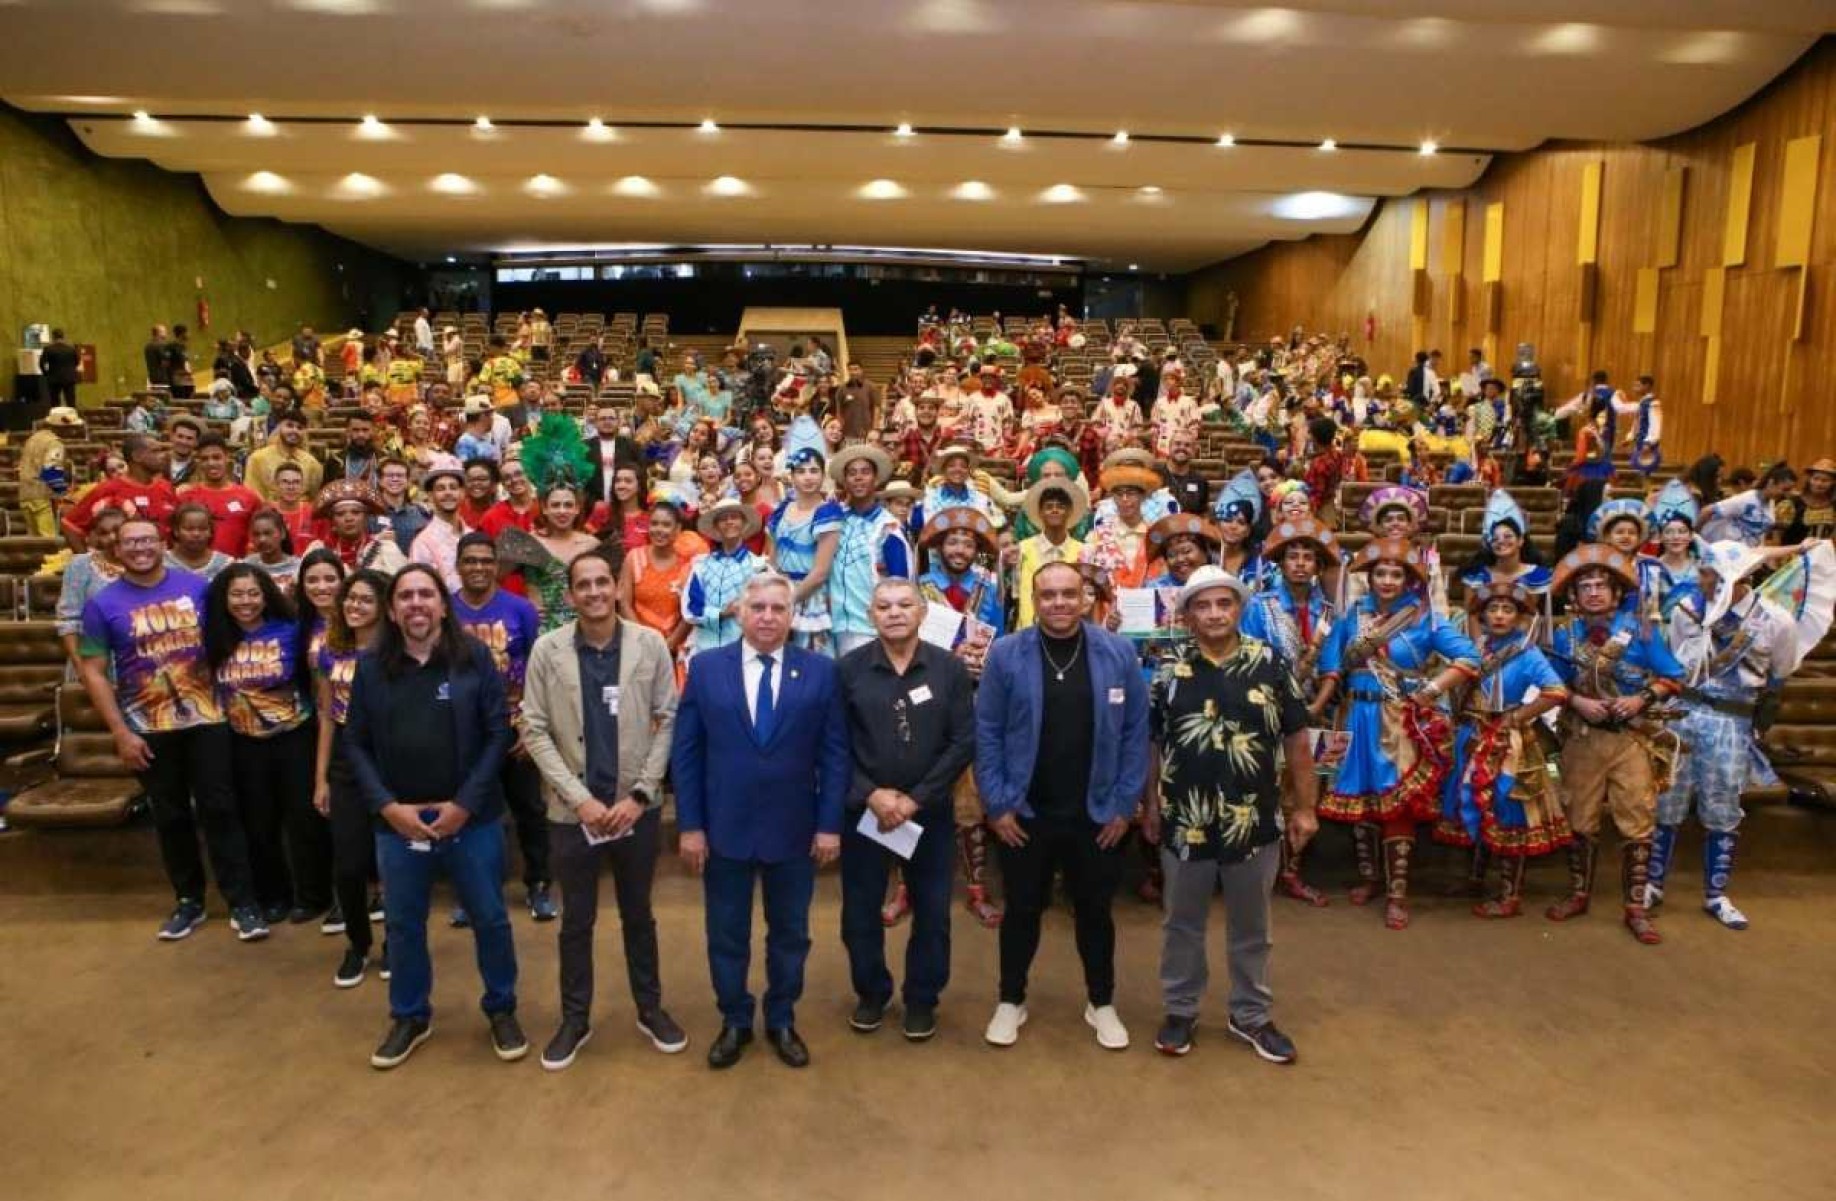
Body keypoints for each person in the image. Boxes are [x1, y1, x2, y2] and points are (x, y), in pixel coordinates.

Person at [343, 564, 522, 1070]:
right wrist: (387, 806)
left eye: (426, 594)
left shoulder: (474, 659)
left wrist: (465, 803)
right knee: (402, 925)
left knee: (490, 918)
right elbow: (354, 742)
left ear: (444, 604)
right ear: (393, 610)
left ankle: (502, 1008)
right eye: (405, 597)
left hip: (471, 817)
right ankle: (409, 1015)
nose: (416, 604)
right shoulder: (373, 666)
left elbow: (496, 734)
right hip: (399, 822)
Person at [671, 572, 850, 1069]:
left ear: (793, 616)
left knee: (790, 932)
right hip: (722, 827)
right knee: (725, 932)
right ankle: (733, 1018)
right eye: (759, 608)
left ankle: (781, 1017)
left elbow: (835, 755)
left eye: (778, 608)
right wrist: (690, 825)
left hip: (795, 828)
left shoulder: (820, 672)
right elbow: (686, 754)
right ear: (740, 613)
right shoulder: (705, 669)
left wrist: (830, 823)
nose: (768, 617)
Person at [521, 548, 688, 1070]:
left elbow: (669, 716)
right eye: (582, 585)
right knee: (577, 921)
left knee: (640, 915)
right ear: (569, 595)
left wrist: (640, 795)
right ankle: (575, 1019)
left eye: (601, 583)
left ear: (617, 589)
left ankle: (650, 1008)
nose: (593, 592)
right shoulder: (547, 650)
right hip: (575, 816)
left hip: (633, 811)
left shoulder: (649, 645)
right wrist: (581, 799)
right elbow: (534, 728)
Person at [974, 561, 1150, 1050]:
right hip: (1024, 814)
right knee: (1022, 911)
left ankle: (1102, 1002)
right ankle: (1011, 999)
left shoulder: (1117, 653)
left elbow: (1138, 732)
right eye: (1048, 594)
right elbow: (986, 731)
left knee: (1095, 911)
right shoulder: (1007, 654)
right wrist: (998, 803)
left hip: (1097, 816)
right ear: (1034, 599)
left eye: (1069, 594)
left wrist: (1123, 805)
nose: (1059, 603)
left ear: (1087, 598)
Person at [1144, 567, 1317, 1062]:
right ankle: (1180, 1009)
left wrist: (1305, 807)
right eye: (1203, 605)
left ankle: (1251, 1016)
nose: (1215, 613)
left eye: (1224, 603)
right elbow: (1152, 742)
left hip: (1254, 822)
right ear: (1189, 614)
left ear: (1238, 608)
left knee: (1252, 926)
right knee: (1182, 923)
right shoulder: (1169, 668)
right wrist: (1151, 803)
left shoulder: (1270, 664)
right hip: (1185, 819)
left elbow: (1297, 740)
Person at [75, 518, 265, 940]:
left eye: (147, 539)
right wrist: (121, 733)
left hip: (209, 720)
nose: (140, 548)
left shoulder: (197, 588)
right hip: (149, 727)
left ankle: (243, 902)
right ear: (116, 550)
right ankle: (189, 902)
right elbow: (93, 671)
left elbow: (232, 640)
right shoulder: (101, 605)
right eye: (129, 542)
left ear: (164, 542)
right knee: (171, 816)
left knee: (221, 810)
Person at [1312, 538, 1480, 929]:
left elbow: (1470, 658)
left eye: (1396, 574)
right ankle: (1372, 878)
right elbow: (1331, 664)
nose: (1387, 581)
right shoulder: (1351, 617)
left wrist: (1434, 689)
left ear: (1408, 580)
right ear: (1369, 579)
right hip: (1354, 716)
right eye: (1380, 573)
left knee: (1396, 803)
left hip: (1399, 721)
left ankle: (1397, 893)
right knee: (1362, 800)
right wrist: (1319, 705)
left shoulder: (1426, 620)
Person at [838, 578, 977, 1040]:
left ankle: (922, 998)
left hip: (929, 811)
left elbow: (963, 742)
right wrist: (872, 794)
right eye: (883, 606)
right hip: (865, 812)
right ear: (870, 615)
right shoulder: (849, 670)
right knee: (860, 910)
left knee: (933, 911)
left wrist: (916, 798)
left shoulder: (949, 670)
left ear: (921, 613)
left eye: (904, 605)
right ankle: (872, 993)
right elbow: (833, 745)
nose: (894, 613)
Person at [1648, 542, 1805, 930]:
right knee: (1667, 798)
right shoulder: (1686, 612)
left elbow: (1779, 671)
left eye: (1714, 576)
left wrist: (1759, 723)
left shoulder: (1774, 620)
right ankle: (1652, 883)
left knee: (1722, 808)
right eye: (1704, 572)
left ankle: (1716, 894)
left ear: (1741, 578)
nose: (1704, 581)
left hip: (1732, 723)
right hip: (1682, 712)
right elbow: (1672, 664)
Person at [1544, 546, 1686, 944]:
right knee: (1578, 819)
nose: (1592, 592)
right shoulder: (1564, 635)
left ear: (1616, 592)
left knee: (1638, 822)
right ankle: (1578, 894)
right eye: (1585, 585)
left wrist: (1642, 698)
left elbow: (1675, 676)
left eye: (1600, 585)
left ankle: (1635, 907)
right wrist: (1576, 701)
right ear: (1574, 594)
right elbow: (1550, 684)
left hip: (1630, 739)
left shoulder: (1640, 630)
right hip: (1582, 739)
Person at [1433, 582, 1572, 917]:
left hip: (1506, 744)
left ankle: (1510, 895)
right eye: (1492, 609)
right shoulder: (1476, 647)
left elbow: (1556, 691)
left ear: (1520, 617)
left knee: (1508, 811)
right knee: (1472, 803)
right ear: (1481, 616)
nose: (1498, 616)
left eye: (1507, 609)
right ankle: (1475, 879)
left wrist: (1517, 716)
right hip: (1470, 734)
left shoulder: (1527, 652)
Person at [204, 565, 328, 926]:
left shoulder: (290, 630)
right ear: (224, 600)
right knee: (258, 823)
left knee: (303, 819)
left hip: (295, 736)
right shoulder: (214, 637)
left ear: (266, 595)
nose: (246, 602)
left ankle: (312, 894)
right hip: (243, 743)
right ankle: (274, 895)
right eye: (238, 594)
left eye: (253, 593)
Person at [450, 533, 556, 924]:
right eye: (471, 561)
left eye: (486, 561)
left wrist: (531, 724)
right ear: (458, 565)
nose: (479, 567)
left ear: (496, 566)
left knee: (529, 807)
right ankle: (473, 891)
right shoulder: (446, 610)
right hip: (464, 732)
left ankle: (539, 885)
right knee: (473, 811)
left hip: (514, 728)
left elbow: (537, 668)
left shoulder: (521, 609)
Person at [1239, 516, 1341, 905]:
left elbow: (1332, 665)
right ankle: (1261, 868)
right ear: (1280, 563)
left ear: (1317, 566)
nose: (1300, 563)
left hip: (1315, 708)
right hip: (1267, 710)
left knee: (1307, 787)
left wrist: (1314, 705)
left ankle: (1293, 869)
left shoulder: (1329, 612)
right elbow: (1251, 658)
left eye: (1307, 558)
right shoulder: (1260, 607)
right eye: (1293, 557)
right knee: (1266, 787)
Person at [913, 508, 1006, 927]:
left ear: (978, 551)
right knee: (911, 791)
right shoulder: (920, 589)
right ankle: (905, 889)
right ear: (937, 547)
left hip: (972, 702)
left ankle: (976, 888)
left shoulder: (990, 589)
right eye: (952, 542)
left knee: (970, 800)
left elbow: (999, 643)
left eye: (968, 543)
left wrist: (983, 666)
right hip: (924, 700)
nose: (959, 549)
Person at [313, 569, 389, 987]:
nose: (354, 606)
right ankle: (357, 945)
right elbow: (326, 715)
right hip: (345, 758)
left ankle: (396, 941)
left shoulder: (396, 654)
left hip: (389, 758)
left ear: (383, 607)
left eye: (365, 600)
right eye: (350, 599)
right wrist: (320, 778)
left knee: (392, 860)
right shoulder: (332, 651)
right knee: (348, 863)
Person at [829, 443, 913, 656]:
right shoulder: (835, 519)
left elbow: (900, 583)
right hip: (833, 625)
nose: (858, 478)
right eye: (852, 473)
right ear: (844, 481)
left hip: (869, 629)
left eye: (865, 472)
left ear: (876, 480)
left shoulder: (888, 528)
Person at [767, 446, 845, 655]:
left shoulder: (827, 513)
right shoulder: (782, 509)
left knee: (810, 659)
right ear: (791, 476)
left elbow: (820, 572)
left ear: (823, 474)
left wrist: (788, 601)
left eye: (814, 471)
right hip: (779, 590)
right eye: (801, 471)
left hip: (810, 595)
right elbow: (772, 557)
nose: (808, 477)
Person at [61, 433, 178, 550]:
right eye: (155, 451)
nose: (163, 456)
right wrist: (87, 562)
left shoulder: (165, 487)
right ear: (137, 456)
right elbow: (70, 526)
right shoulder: (109, 488)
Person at [682, 499, 768, 655]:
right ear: (716, 527)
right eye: (723, 518)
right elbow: (691, 609)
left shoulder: (759, 567)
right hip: (704, 649)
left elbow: (764, 609)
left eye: (734, 517)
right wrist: (722, 614)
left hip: (744, 651)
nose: (729, 522)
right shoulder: (701, 566)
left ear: (744, 523)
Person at [618, 501, 695, 666]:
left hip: (675, 649)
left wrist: (669, 644)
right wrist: (645, 640)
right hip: (638, 644)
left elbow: (691, 612)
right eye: (654, 523)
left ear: (678, 529)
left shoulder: (688, 565)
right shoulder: (635, 557)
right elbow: (624, 603)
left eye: (666, 525)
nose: (659, 530)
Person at [55, 506, 127, 664]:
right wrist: (80, 665)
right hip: (93, 659)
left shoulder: (147, 564)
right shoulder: (81, 565)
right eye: (104, 533)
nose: (112, 537)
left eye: (118, 530)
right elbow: (68, 620)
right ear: (95, 538)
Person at [180, 434, 263, 557]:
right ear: (198, 462)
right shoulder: (186, 497)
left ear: (227, 458)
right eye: (205, 459)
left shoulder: (250, 497)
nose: (211, 463)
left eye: (216, 457)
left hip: (236, 569)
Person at [19, 406, 83, 538]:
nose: (73, 431)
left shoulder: (34, 438)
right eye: (71, 427)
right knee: (49, 543)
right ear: (62, 427)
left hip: (25, 495)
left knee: (34, 543)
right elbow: (51, 472)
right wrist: (65, 496)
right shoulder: (55, 443)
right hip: (42, 498)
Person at [408, 464, 469, 591]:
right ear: (431, 496)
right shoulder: (423, 543)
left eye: (453, 487)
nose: (448, 493)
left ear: (462, 493)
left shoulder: (471, 535)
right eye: (441, 488)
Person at [245, 409, 324, 502]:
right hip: (269, 513)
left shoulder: (312, 463)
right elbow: (252, 493)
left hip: (301, 512)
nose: (294, 431)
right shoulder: (258, 458)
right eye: (289, 425)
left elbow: (314, 497)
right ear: (279, 428)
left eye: (300, 428)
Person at [41, 328, 80, 406]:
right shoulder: (71, 349)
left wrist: (46, 374)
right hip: (69, 378)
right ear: (63, 337)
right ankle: (72, 417)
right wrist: (71, 370)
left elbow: (41, 363)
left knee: (55, 402)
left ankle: (56, 417)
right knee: (71, 402)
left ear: (53, 337)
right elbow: (77, 362)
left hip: (54, 378)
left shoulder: (48, 349)